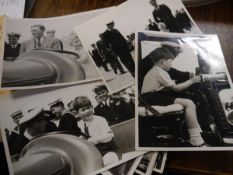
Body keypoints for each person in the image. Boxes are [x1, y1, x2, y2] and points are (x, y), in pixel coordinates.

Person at [140, 45, 206, 147]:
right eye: (170, 61)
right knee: (189, 103)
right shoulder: (160, 72)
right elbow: (176, 88)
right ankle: (195, 138)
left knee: (182, 98)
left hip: (149, 96)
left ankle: (194, 130)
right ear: (163, 61)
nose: (172, 63)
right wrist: (192, 81)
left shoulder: (155, 70)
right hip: (150, 97)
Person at [73, 96, 120, 166]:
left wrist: (95, 140)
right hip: (95, 154)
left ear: (92, 107)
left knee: (107, 162)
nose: (87, 111)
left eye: (88, 108)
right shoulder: (80, 124)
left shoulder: (100, 120)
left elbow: (109, 136)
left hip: (109, 151)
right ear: (77, 113)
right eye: (83, 110)